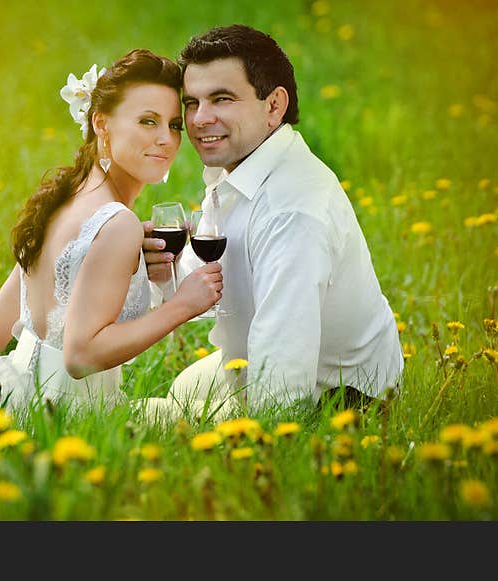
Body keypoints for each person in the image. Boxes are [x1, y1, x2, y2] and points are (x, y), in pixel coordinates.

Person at [0, 49, 223, 426]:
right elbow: (81, 356)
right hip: (68, 420)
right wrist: (182, 305)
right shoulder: (117, 223)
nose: (166, 139)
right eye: (148, 121)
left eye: (174, 125)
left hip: (5, 405)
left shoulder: (66, 199)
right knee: (218, 417)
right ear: (101, 124)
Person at [142, 25, 403, 417]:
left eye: (222, 99)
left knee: (148, 416)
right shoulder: (241, 171)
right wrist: (166, 272)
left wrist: (251, 427)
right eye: (192, 102)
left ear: (274, 106)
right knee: (182, 390)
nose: (198, 119)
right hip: (260, 360)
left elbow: (282, 388)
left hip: (338, 398)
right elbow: (215, 274)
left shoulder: (293, 212)